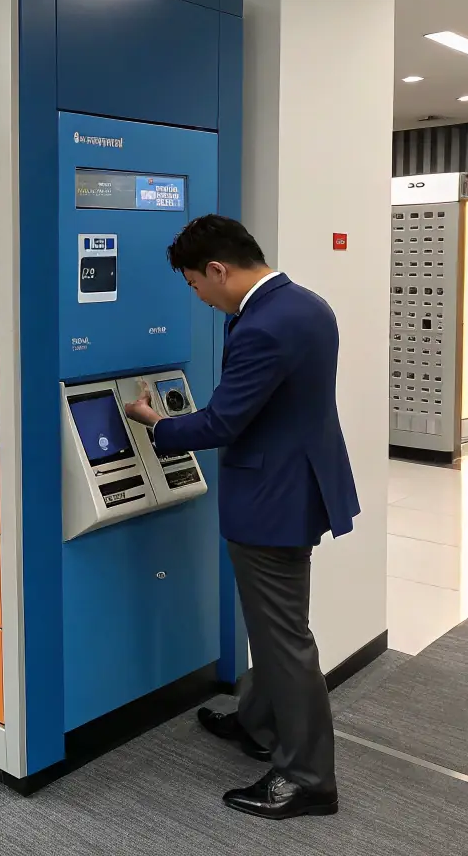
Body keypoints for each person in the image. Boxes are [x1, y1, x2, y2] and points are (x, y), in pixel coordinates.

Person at [123, 214, 359, 821]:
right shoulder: (307, 304)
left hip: (271, 499)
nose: (198, 297)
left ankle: (308, 777)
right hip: (298, 484)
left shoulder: (261, 327)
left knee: (284, 638)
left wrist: (156, 423)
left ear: (218, 270)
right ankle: (258, 719)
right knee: (272, 624)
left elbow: (222, 423)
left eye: (196, 285)